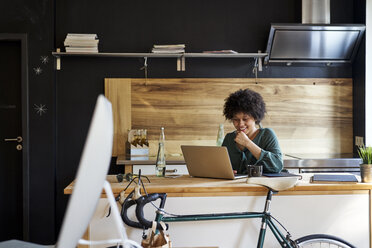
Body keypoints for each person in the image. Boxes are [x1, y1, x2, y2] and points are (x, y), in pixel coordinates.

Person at [222, 88, 283, 174]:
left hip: (261, 186)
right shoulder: (229, 138)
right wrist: (225, 171)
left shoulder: (267, 134)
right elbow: (222, 166)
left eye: (245, 119)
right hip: (235, 186)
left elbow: (277, 166)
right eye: (236, 119)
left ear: (255, 117)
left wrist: (248, 143)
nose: (240, 124)